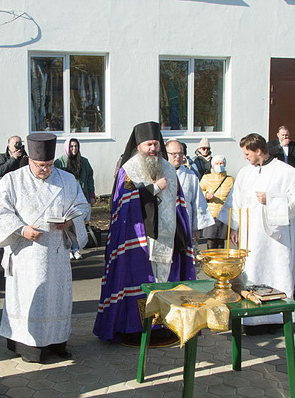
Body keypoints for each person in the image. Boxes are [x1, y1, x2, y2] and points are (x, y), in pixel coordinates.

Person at [93, 121, 196, 343]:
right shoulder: (129, 170)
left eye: (155, 144)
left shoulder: (168, 167)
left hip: (167, 239)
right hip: (138, 240)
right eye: (148, 144)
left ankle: (163, 327)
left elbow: (179, 203)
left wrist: (183, 234)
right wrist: (156, 188)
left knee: (165, 282)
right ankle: (136, 328)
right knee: (141, 282)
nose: (152, 149)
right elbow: (127, 205)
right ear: (139, 145)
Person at [0, 133, 89, 362]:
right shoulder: (12, 181)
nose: (44, 170)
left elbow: (82, 206)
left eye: (48, 165)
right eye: (39, 165)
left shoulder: (67, 180)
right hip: (26, 252)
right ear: (30, 160)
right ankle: (28, 347)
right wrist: (21, 229)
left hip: (56, 253)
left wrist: (70, 222)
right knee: (28, 299)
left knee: (57, 299)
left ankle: (57, 343)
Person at [220, 133, 295, 334]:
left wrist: (272, 199)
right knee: (252, 271)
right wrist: (234, 227)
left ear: (259, 151)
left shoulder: (286, 172)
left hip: (277, 240)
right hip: (251, 238)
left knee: (277, 272)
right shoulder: (244, 173)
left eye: (247, 153)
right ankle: (251, 319)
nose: (245, 157)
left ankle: (277, 318)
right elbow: (236, 202)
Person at [166, 139, 213, 236]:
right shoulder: (159, 174)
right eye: (174, 154)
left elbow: (198, 202)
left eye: (180, 153)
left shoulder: (190, 175)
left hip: (185, 223)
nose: (178, 157)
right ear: (166, 154)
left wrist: (196, 228)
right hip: (165, 225)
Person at [200, 156, 235, 249]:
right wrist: (206, 194)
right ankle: (210, 261)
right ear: (212, 165)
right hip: (211, 214)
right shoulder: (206, 178)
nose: (219, 165)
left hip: (224, 214)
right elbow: (199, 192)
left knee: (221, 241)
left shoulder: (230, 180)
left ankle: (220, 262)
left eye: (221, 163)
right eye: (217, 163)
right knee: (211, 239)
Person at [55, 138, 95, 204]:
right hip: (66, 198)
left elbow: (90, 179)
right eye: (71, 146)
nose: (74, 148)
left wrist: (91, 196)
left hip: (83, 196)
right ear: (67, 147)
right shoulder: (59, 163)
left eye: (76, 146)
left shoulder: (84, 162)